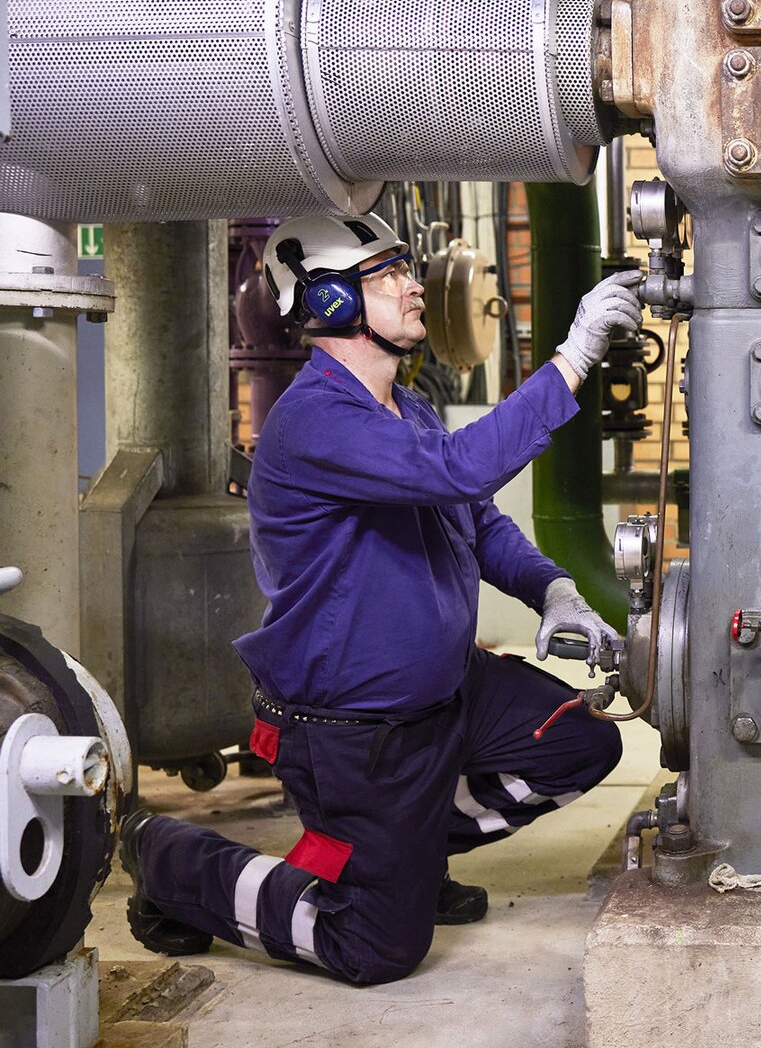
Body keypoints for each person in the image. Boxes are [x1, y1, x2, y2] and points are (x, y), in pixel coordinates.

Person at [117, 212, 643, 984]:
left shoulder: (409, 408)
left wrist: (553, 588)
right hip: (355, 733)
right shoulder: (315, 421)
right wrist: (570, 359)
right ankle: (170, 859)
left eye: (404, 267)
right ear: (329, 303)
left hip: (448, 699)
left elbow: (477, 521)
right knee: (375, 948)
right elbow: (462, 471)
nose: (411, 284)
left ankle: (409, 850)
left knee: (582, 742)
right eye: (385, 274)